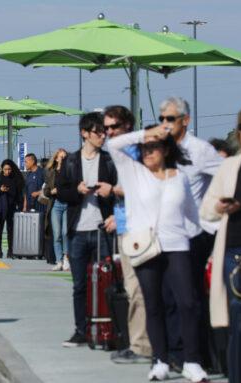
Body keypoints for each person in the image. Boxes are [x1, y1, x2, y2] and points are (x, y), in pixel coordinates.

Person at [108, 125, 208, 382]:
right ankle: (160, 360)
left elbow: (192, 214)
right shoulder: (134, 172)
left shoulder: (179, 177)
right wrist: (146, 134)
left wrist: (204, 236)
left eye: (154, 147)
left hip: (177, 245)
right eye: (145, 149)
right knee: (154, 304)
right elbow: (114, 144)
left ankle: (192, 361)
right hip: (146, 246)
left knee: (187, 302)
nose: (149, 152)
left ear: (165, 150)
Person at [160, 97, 224, 370]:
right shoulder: (160, 149)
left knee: (188, 298)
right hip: (162, 233)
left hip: (191, 236)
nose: (165, 124)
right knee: (167, 296)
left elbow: (226, 179)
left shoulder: (200, 150)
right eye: (162, 118)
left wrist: (212, 221)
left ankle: (194, 354)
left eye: (170, 119)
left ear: (185, 120)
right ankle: (175, 352)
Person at [201, 105, 241, 377]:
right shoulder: (229, 167)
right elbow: (206, 209)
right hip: (233, 253)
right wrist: (221, 206)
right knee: (236, 322)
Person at [57, 112, 117, 347]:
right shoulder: (71, 161)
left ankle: (106, 330)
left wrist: (110, 192)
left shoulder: (109, 160)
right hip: (78, 230)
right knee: (79, 284)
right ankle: (81, 330)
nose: (103, 136)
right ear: (84, 133)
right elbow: (60, 192)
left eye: (104, 132)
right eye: (97, 132)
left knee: (107, 282)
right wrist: (77, 190)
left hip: (103, 229)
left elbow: (120, 190)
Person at [102, 105, 152, 364]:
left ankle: (141, 344)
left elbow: (145, 190)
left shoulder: (136, 152)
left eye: (114, 127)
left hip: (138, 229)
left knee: (137, 288)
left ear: (128, 127)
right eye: (107, 128)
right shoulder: (124, 151)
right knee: (133, 287)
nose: (109, 132)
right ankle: (138, 341)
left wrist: (114, 190)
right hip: (124, 224)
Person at [0, 159, 24, 258]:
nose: (7, 171)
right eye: (5, 169)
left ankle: (10, 250)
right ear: (2, 169)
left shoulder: (16, 180)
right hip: (0, 209)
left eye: (9, 169)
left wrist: (20, 206)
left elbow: (19, 195)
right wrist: (0, 190)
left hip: (12, 208)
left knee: (11, 230)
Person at [43, 149, 70, 271]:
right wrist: (51, 192)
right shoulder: (51, 172)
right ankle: (59, 260)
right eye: (60, 157)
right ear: (56, 159)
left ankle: (66, 258)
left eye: (65, 157)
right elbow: (45, 191)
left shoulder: (71, 172)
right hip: (56, 204)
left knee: (65, 232)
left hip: (68, 204)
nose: (62, 159)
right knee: (57, 234)